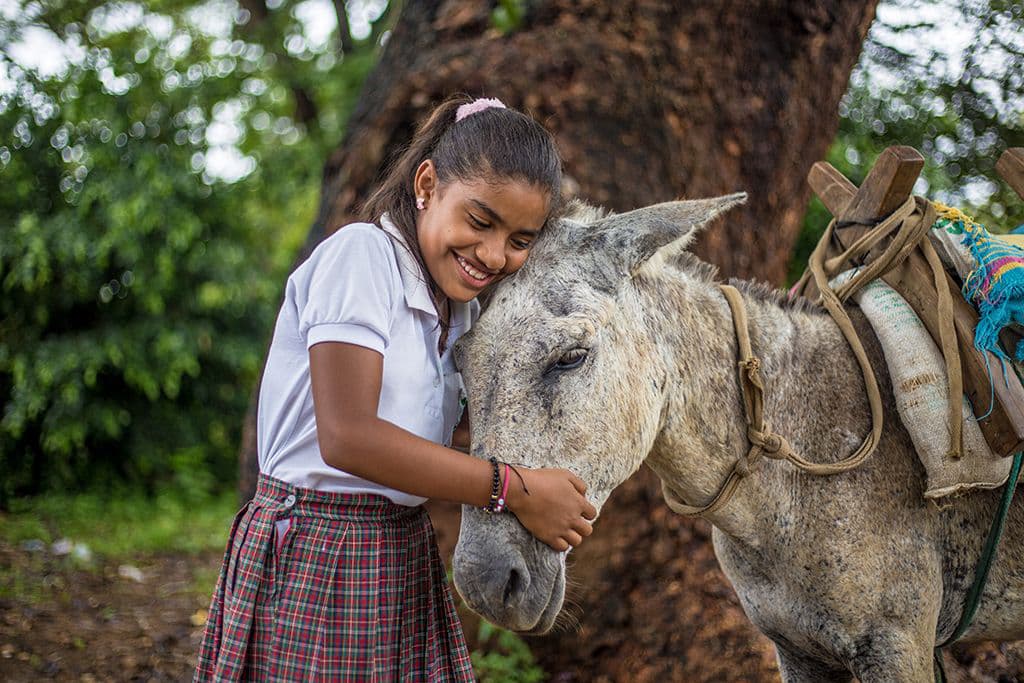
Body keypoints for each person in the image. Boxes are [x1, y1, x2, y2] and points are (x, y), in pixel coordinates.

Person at [194, 95, 598, 682]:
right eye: (480, 221)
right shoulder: (361, 257)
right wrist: (514, 489)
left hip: (399, 549)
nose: (493, 254)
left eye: (519, 240)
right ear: (427, 185)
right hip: (318, 552)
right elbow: (347, 437)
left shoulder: (457, 311)